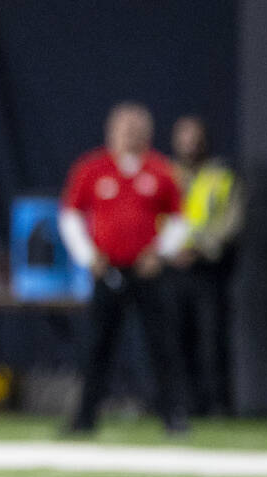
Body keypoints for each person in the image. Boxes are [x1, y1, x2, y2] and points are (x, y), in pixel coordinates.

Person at [58, 102, 191, 435]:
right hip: (108, 270)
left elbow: (180, 220)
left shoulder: (160, 170)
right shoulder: (92, 168)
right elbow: (70, 216)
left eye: (137, 128)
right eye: (125, 127)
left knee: (162, 346)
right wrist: (89, 257)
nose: (130, 134)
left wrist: (159, 253)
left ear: (148, 132)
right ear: (111, 131)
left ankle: (173, 417)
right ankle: (84, 419)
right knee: (97, 346)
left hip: (147, 272)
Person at [168, 115, 243, 416]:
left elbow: (232, 222)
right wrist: (169, 251)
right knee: (176, 340)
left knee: (212, 340)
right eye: (184, 137)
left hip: (210, 270)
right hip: (173, 269)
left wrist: (200, 248)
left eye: (195, 137)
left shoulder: (220, 175)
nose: (190, 144)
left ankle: (219, 406)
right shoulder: (165, 174)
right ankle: (184, 405)